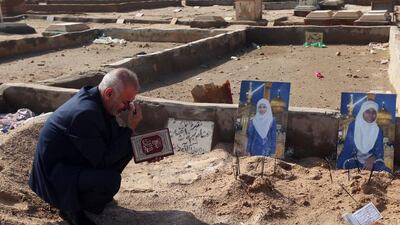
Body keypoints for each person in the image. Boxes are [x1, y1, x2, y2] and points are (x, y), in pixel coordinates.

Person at [29, 68, 156, 225]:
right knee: (110, 180)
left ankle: (90, 195)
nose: (129, 107)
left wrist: (150, 150)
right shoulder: (85, 114)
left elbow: (116, 139)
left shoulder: (98, 100)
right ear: (109, 93)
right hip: (55, 178)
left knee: (126, 143)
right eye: (127, 102)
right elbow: (103, 161)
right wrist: (130, 128)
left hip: (71, 163)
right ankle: (71, 208)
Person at [336, 100, 390, 172]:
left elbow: (379, 152)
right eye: (368, 111)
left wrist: (371, 159)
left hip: (372, 161)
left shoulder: (377, 130)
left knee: (383, 169)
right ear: (362, 112)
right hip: (354, 159)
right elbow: (348, 148)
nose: (371, 115)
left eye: (374, 112)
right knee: (345, 164)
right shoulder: (354, 126)